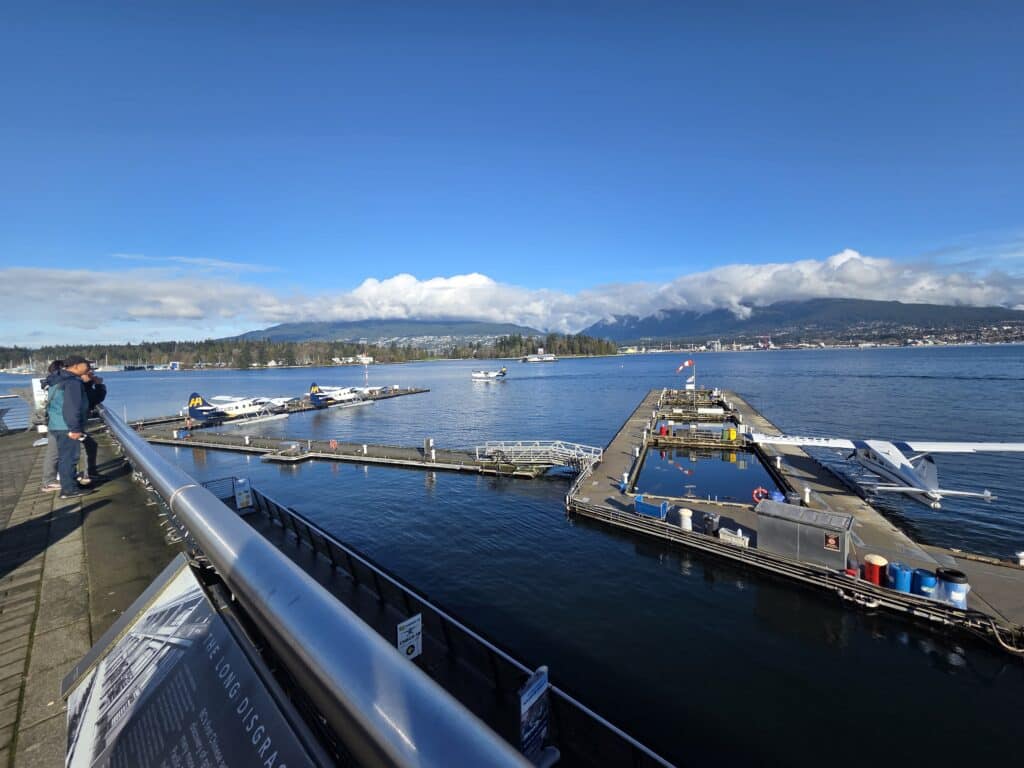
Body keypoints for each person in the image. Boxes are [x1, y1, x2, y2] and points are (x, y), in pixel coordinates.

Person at [47, 355, 94, 499]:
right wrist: (74, 428)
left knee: (64, 457)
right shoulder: (72, 382)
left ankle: (70, 484)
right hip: (66, 426)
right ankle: (69, 490)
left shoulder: (59, 378)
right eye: (86, 364)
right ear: (76, 366)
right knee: (70, 458)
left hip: (56, 424)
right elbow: (71, 407)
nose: (89, 368)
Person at [75, 366, 107, 484]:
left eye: (92, 372)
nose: (92, 374)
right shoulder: (79, 386)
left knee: (89, 445)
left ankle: (87, 473)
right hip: (74, 425)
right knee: (84, 448)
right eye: (89, 373)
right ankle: (83, 477)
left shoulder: (82, 386)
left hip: (75, 424)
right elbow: (96, 398)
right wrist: (99, 385)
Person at [39, 360, 64, 493]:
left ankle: (51, 480)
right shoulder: (60, 383)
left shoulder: (50, 382)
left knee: (53, 452)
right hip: (60, 422)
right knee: (54, 453)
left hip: (53, 421)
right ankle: (49, 482)